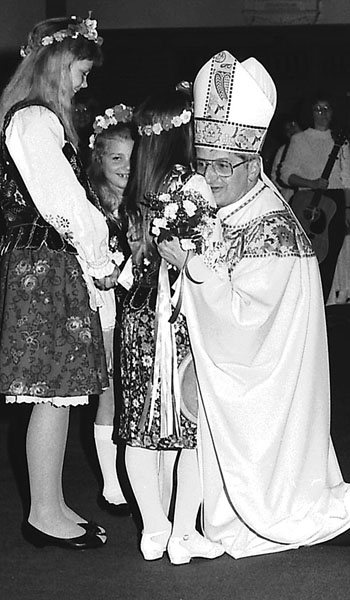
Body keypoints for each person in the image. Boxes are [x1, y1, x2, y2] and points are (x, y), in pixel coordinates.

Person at [157, 50, 350, 559]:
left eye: (225, 166)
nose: (212, 177)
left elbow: (248, 326)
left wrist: (193, 267)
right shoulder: (225, 206)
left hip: (267, 385)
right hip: (235, 373)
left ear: (253, 164)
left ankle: (215, 520)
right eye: (205, 165)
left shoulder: (271, 226)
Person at [0, 15, 119, 550]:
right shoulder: (33, 121)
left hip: (47, 264)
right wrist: (99, 260)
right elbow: (64, 205)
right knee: (53, 390)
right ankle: (44, 513)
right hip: (46, 266)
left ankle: (50, 504)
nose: (84, 83)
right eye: (80, 71)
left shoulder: (34, 119)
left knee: (58, 392)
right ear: (54, 64)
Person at [116, 88, 225, 564]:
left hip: (136, 318)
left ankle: (153, 528)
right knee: (194, 427)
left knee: (138, 424)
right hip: (177, 318)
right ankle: (183, 532)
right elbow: (207, 258)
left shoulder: (133, 190)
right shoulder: (192, 187)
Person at [88, 104, 134, 515]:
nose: (125, 167)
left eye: (131, 158)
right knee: (110, 392)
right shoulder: (92, 206)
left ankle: (136, 470)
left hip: (136, 304)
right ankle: (110, 482)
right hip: (105, 306)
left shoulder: (138, 203)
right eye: (116, 158)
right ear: (100, 159)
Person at [280, 93, 350, 301]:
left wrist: (347, 208)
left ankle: (323, 308)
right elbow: (286, 173)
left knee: (330, 258)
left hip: (336, 202)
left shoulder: (340, 141)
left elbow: (346, 178)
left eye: (326, 108)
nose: (322, 114)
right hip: (309, 202)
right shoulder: (299, 140)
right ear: (310, 113)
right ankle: (304, 303)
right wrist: (310, 183)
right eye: (317, 109)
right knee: (307, 258)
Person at [270, 113, 301, 202]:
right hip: (289, 197)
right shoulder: (283, 150)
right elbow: (275, 177)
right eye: (287, 129)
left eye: (293, 125)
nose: (291, 130)